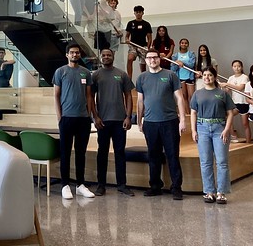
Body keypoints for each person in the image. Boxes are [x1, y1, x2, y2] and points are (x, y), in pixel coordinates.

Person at [136, 48, 187, 200]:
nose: (152, 60)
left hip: (170, 122)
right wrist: (139, 120)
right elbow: (140, 101)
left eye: (155, 57)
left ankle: (176, 187)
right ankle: (155, 186)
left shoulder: (170, 75)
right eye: (149, 58)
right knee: (153, 156)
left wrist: (183, 119)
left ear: (160, 59)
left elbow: (179, 98)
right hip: (150, 123)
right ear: (146, 60)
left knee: (172, 155)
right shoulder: (142, 78)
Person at [90, 48, 135, 196]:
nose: (106, 57)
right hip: (102, 121)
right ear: (100, 57)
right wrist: (95, 117)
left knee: (120, 153)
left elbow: (128, 96)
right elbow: (90, 97)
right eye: (103, 55)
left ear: (113, 56)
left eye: (109, 55)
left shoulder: (122, 74)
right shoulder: (95, 75)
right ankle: (100, 185)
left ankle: (122, 185)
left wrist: (128, 116)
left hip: (119, 121)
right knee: (101, 153)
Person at [53, 43, 95, 200]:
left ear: (80, 55)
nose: (75, 55)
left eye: (77, 53)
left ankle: (80, 185)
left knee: (80, 153)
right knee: (65, 152)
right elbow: (56, 95)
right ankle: (65, 185)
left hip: (83, 119)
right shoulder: (60, 72)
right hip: (66, 119)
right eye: (72, 53)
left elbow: (90, 95)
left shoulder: (86, 73)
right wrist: (60, 117)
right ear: (67, 55)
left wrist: (89, 114)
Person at [190, 67, 235, 204]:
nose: (207, 77)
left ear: (215, 77)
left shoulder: (222, 93)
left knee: (221, 161)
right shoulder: (197, 94)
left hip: (219, 128)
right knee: (205, 162)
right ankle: (209, 192)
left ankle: (221, 192)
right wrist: (194, 130)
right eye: (204, 75)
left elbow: (230, 113)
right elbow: (193, 112)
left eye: (210, 75)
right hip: (202, 128)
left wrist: (227, 129)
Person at [221, 60, 251, 142]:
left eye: (238, 66)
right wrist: (222, 86)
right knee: (228, 117)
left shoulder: (244, 77)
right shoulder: (231, 78)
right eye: (234, 66)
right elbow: (227, 90)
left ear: (241, 67)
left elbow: (240, 88)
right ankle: (233, 136)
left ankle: (248, 142)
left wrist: (227, 84)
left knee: (245, 124)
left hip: (244, 103)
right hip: (234, 103)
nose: (236, 68)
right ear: (232, 67)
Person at [125, 5, 152, 78]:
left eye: (140, 12)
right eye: (137, 12)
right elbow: (127, 36)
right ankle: (129, 78)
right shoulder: (130, 23)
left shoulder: (146, 24)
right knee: (130, 58)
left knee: (143, 66)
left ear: (142, 13)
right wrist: (127, 40)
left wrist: (148, 48)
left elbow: (149, 38)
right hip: (133, 46)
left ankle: (144, 79)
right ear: (134, 13)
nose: (138, 14)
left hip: (143, 47)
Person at [171, 38, 196, 106]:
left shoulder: (191, 54)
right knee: (184, 97)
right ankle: (187, 114)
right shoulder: (175, 56)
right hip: (180, 78)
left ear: (188, 45)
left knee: (191, 97)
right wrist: (177, 63)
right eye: (182, 43)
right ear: (180, 44)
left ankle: (192, 114)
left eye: (185, 43)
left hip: (189, 77)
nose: (184, 44)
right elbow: (173, 69)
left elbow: (191, 65)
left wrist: (182, 62)